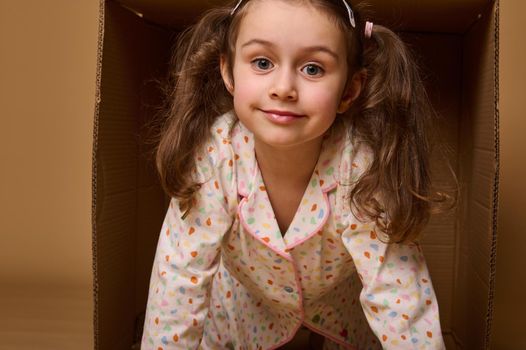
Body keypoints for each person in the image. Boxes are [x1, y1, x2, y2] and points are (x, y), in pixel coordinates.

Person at [141, 0, 449, 348]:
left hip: (336, 312)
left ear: (348, 90)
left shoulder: (361, 165)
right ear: (228, 73)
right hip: (241, 312)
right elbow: (180, 277)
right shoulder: (215, 153)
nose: (283, 87)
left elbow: (399, 294)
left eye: (313, 69)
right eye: (262, 62)